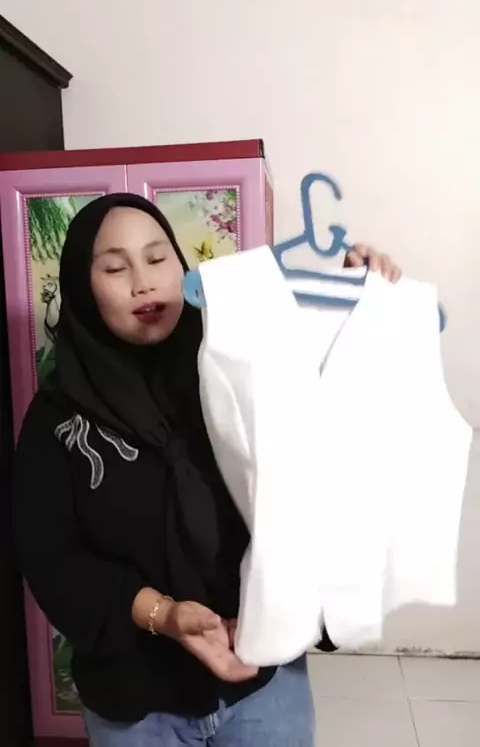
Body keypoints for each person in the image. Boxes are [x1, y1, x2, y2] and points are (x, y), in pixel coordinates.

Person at [13, 194, 402, 747]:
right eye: (116, 269)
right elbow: (52, 560)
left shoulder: (241, 366)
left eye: (157, 258)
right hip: (135, 705)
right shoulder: (58, 420)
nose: (143, 283)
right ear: (83, 287)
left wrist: (348, 310)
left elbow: (327, 441)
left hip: (264, 679)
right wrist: (164, 615)